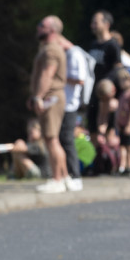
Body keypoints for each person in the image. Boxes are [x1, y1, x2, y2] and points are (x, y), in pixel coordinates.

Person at [30, 16, 75, 193]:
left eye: (42, 25)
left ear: (52, 30)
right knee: (53, 139)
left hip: (51, 98)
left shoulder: (51, 50)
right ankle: (64, 178)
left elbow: (47, 75)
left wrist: (38, 97)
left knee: (51, 139)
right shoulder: (49, 48)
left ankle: (56, 179)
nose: (38, 27)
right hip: (51, 97)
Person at [86, 11, 122, 136]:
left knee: (107, 129)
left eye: (96, 22)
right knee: (92, 128)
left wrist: (112, 91)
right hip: (93, 91)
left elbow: (118, 69)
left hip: (107, 94)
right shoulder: (93, 44)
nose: (92, 26)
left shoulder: (113, 45)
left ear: (106, 24)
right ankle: (98, 155)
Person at [60, 35, 90, 181]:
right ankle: (66, 174)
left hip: (70, 104)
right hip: (64, 103)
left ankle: (75, 175)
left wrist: (59, 77)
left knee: (67, 139)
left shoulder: (75, 53)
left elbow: (80, 79)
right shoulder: (69, 53)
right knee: (62, 139)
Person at [114, 67, 130, 175]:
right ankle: (122, 166)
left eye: (123, 80)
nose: (121, 83)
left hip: (128, 126)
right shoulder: (121, 94)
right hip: (121, 125)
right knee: (122, 146)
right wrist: (117, 123)